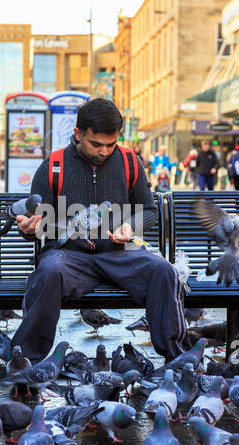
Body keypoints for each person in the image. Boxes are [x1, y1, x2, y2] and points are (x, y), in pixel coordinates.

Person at [11, 98, 188, 365]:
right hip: (69, 257)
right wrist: (27, 229)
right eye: (96, 144)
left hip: (119, 253)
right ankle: (25, 362)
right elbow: (37, 221)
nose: (104, 151)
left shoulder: (129, 161)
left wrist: (131, 226)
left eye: (111, 144)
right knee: (47, 273)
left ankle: (178, 359)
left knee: (164, 271)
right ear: (78, 134)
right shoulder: (54, 165)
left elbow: (149, 209)